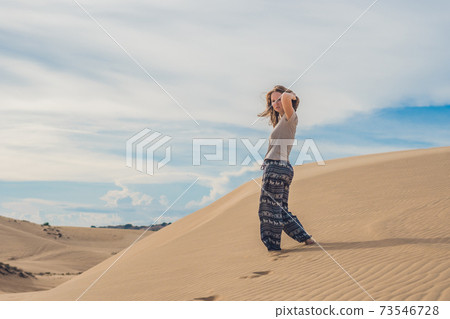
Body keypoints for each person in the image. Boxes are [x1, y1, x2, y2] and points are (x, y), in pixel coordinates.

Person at [257, 85, 315, 251]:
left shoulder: (290, 116)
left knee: (267, 210)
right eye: (272, 101)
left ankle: (273, 248)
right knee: (280, 210)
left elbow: (287, 98)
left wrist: (291, 95)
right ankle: (305, 238)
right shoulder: (283, 120)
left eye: (278, 99)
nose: (276, 103)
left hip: (275, 168)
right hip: (283, 168)